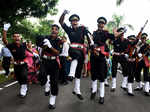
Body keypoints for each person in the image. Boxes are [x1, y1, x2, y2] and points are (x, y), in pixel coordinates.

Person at [59, 10, 94, 100]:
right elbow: (61, 22)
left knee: (78, 71)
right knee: (76, 55)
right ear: (70, 22)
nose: (74, 22)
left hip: (82, 50)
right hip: (73, 49)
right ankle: (71, 74)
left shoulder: (82, 28)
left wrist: (92, 44)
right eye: (72, 21)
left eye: (76, 21)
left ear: (78, 21)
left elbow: (89, 37)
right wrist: (63, 14)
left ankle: (77, 90)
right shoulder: (69, 29)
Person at [90, 17, 119, 104]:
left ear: (104, 25)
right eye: (100, 23)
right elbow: (90, 42)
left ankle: (102, 96)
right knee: (94, 75)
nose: (101, 24)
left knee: (102, 76)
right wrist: (93, 47)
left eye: (103, 23)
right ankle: (94, 91)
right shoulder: (94, 33)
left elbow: (114, 36)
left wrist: (118, 32)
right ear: (97, 23)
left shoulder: (106, 33)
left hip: (101, 56)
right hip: (93, 56)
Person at [39, 24, 63, 109]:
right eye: (52, 29)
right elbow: (39, 44)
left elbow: (57, 53)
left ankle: (52, 101)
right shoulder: (46, 37)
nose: (54, 30)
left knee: (54, 82)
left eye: (56, 29)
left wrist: (50, 46)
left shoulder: (59, 41)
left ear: (58, 31)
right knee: (42, 75)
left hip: (54, 62)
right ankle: (46, 85)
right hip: (45, 61)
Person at [2, 23, 28, 98]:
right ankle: (24, 87)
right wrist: (5, 30)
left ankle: (23, 91)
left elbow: (28, 49)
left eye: (18, 36)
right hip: (16, 65)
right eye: (15, 36)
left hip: (24, 65)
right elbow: (4, 40)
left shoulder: (24, 44)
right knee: (19, 78)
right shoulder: (11, 45)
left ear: (20, 37)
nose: (16, 38)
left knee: (24, 75)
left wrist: (33, 53)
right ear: (13, 38)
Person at [111, 27, 129, 92]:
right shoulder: (115, 40)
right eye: (121, 33)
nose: (122, 34)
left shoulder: (126, 40)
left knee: (126, 69)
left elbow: (131, 46)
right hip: (115, 56)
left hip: (122, 56)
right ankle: (113, 86)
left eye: (123, 33)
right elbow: (110, 43)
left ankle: (124, 85)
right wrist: (112, 52)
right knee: (114, 69)